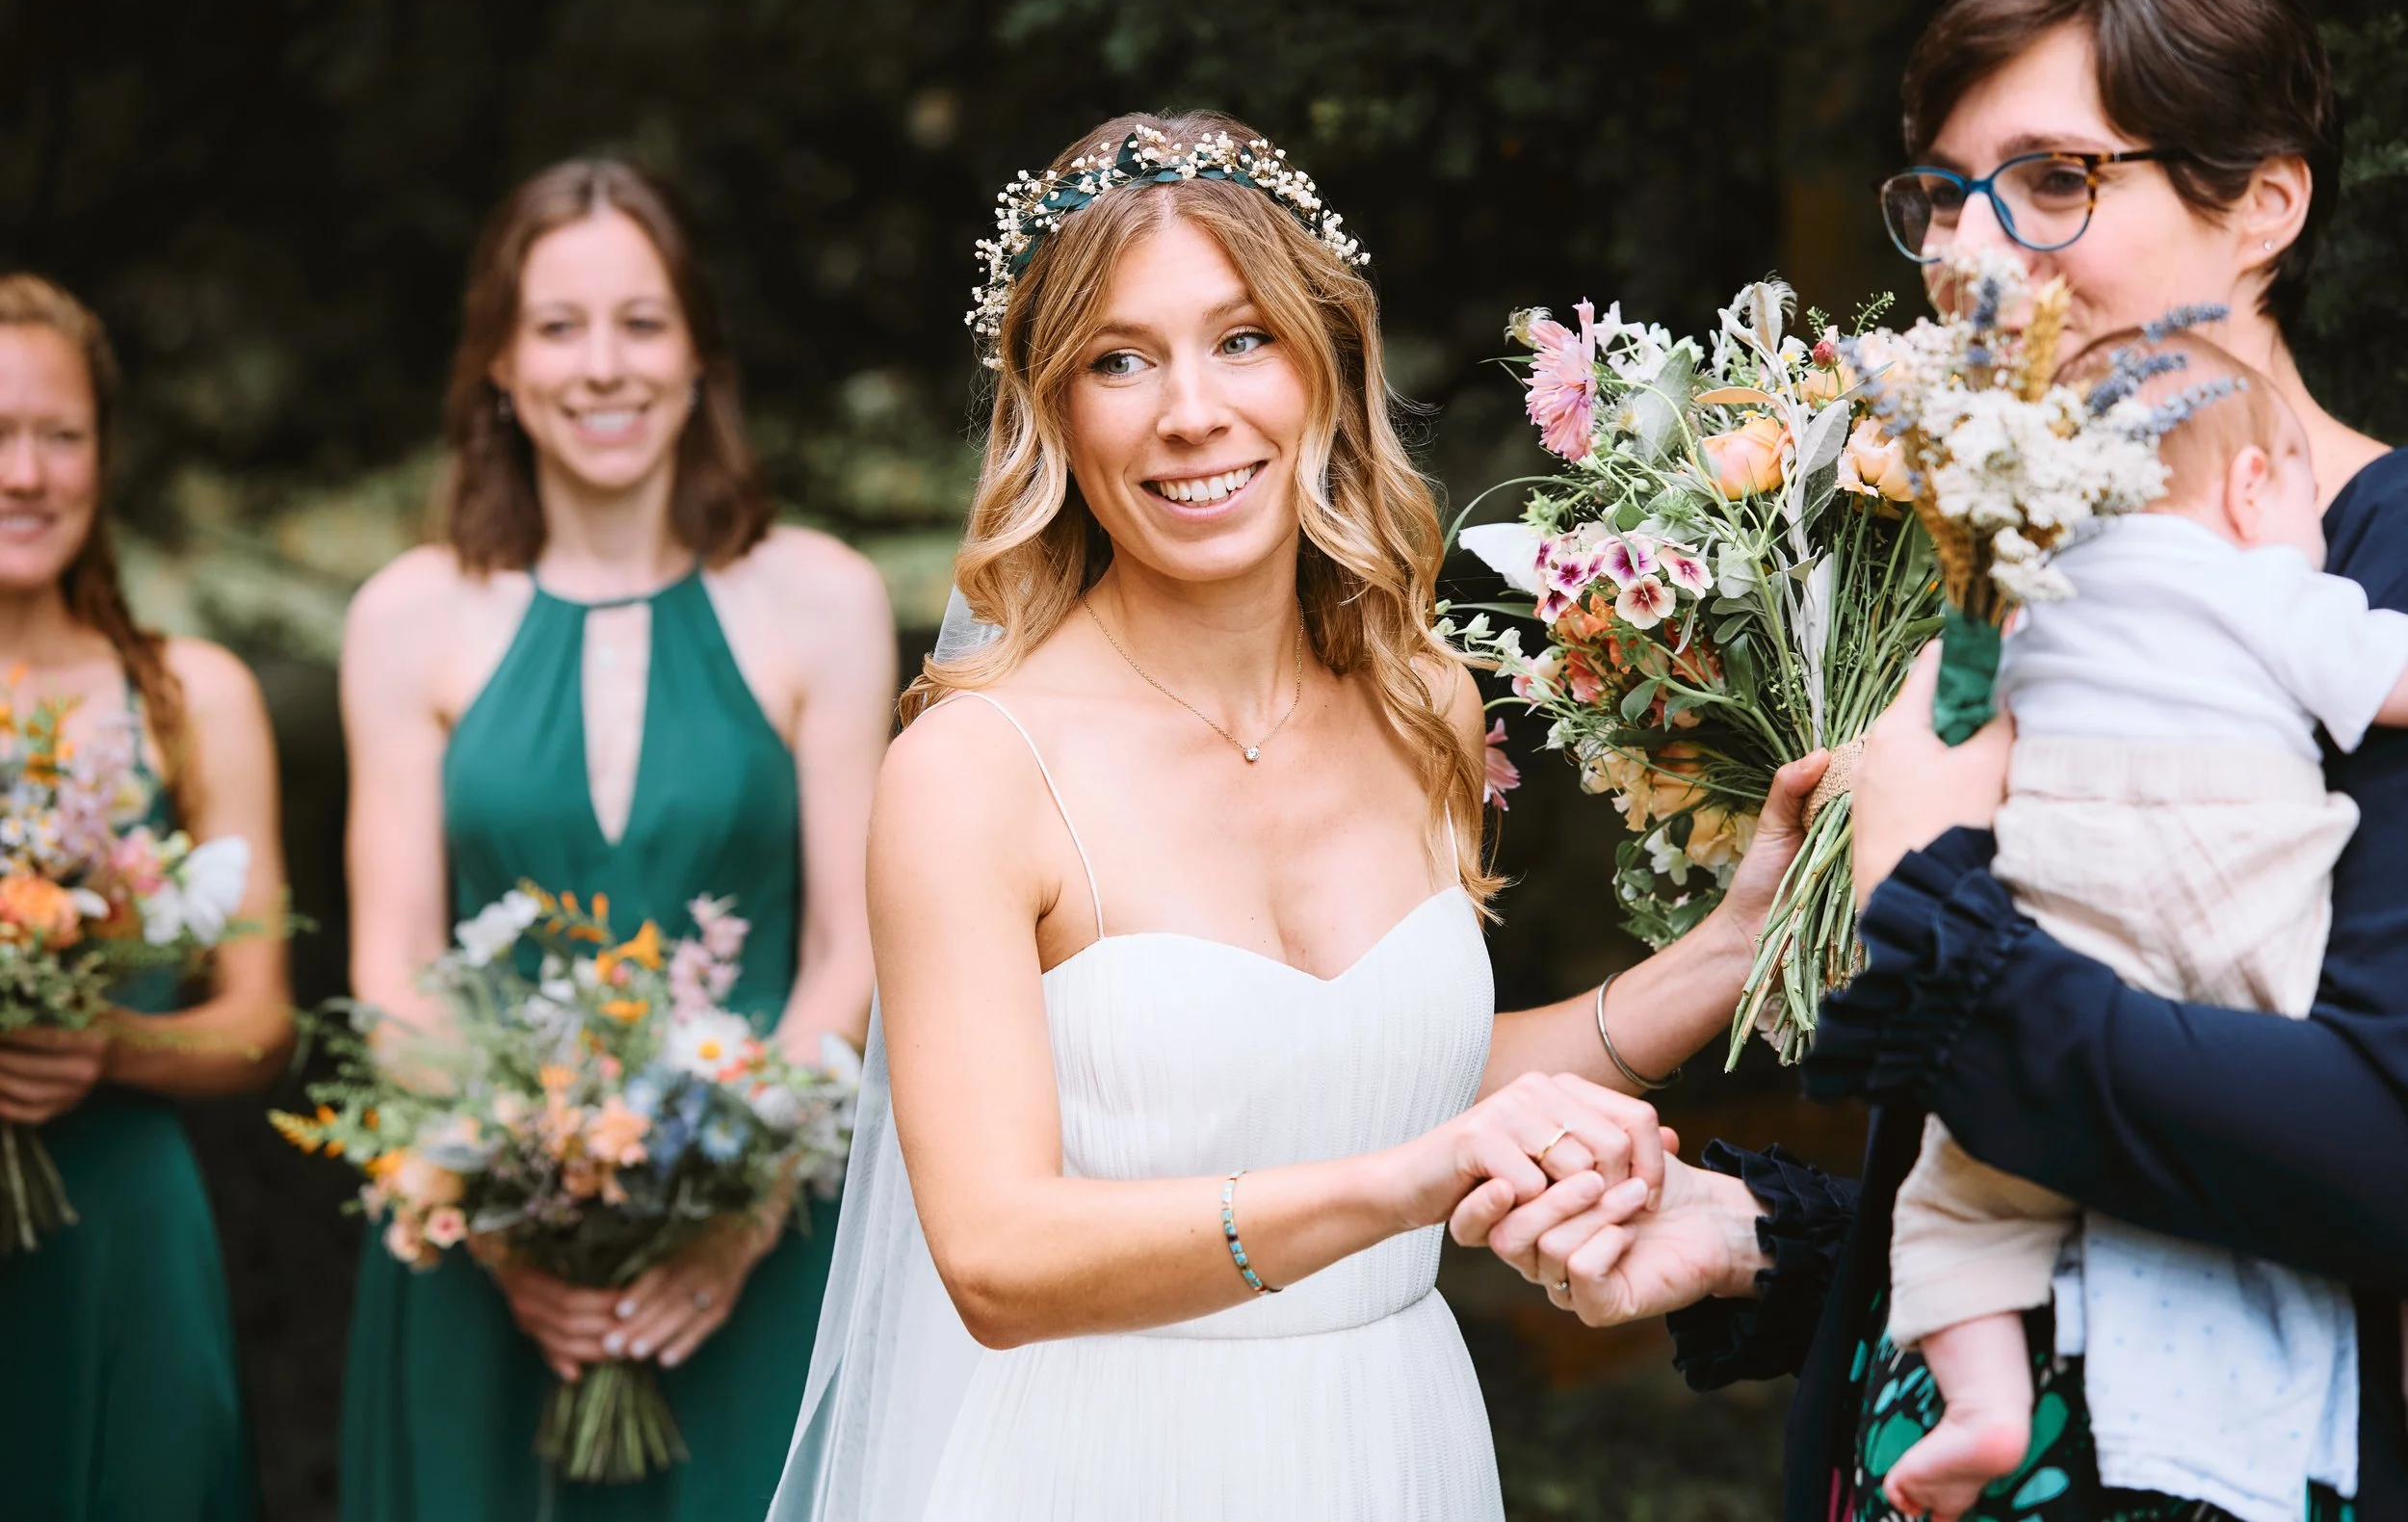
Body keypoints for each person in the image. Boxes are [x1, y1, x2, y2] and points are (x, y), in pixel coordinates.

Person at [1461, 0, 2408, 1520]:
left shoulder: (2374, 587)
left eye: (2052, 181)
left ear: (2266, 201)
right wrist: (1767, 1235)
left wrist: (1916, 881)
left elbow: (2376, 1149)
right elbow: (2057, 1133)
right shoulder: (2000, 565)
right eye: (1946, 194)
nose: (1972, 259)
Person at [770, 110, 1829, 1522]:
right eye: (1119, 359)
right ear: (1055, 410)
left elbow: (1399, 1075)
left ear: (1326, 362)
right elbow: (996, 1254)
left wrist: (1738, 941)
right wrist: (1407, 1183)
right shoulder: (975, 768)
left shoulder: (1419, 701)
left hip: (1394, 1436)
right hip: (1101, 1460)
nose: (1190, 409)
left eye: (1243, 336)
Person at [337, 159, 894, 1522]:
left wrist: (742, 1206)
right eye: (559, 326)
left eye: (643, 323)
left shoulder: (822, 597)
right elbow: (397, 968)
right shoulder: (410, 614)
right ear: (498, 367)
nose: (605, 366)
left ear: (700, 355)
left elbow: (853, 946)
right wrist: (504, 1215)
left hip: (755, 1258)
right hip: (479, 1266)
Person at [1881, 335, 2408, 1522]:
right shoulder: (2279, 586)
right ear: (2251, 487)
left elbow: (1956, 710)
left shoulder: (2039, 600)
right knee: (2249, 1097)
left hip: (2071, 901)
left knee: (1957, 1192)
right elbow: (2388, 678)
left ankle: (1983, 1405)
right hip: (2248, 908)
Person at [0, 273, 295, 1522]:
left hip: (125, 1233)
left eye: (59, 435)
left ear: (102, 457)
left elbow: (262, 1021)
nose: (26, 472)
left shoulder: (193, 695)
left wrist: (104, 1043)